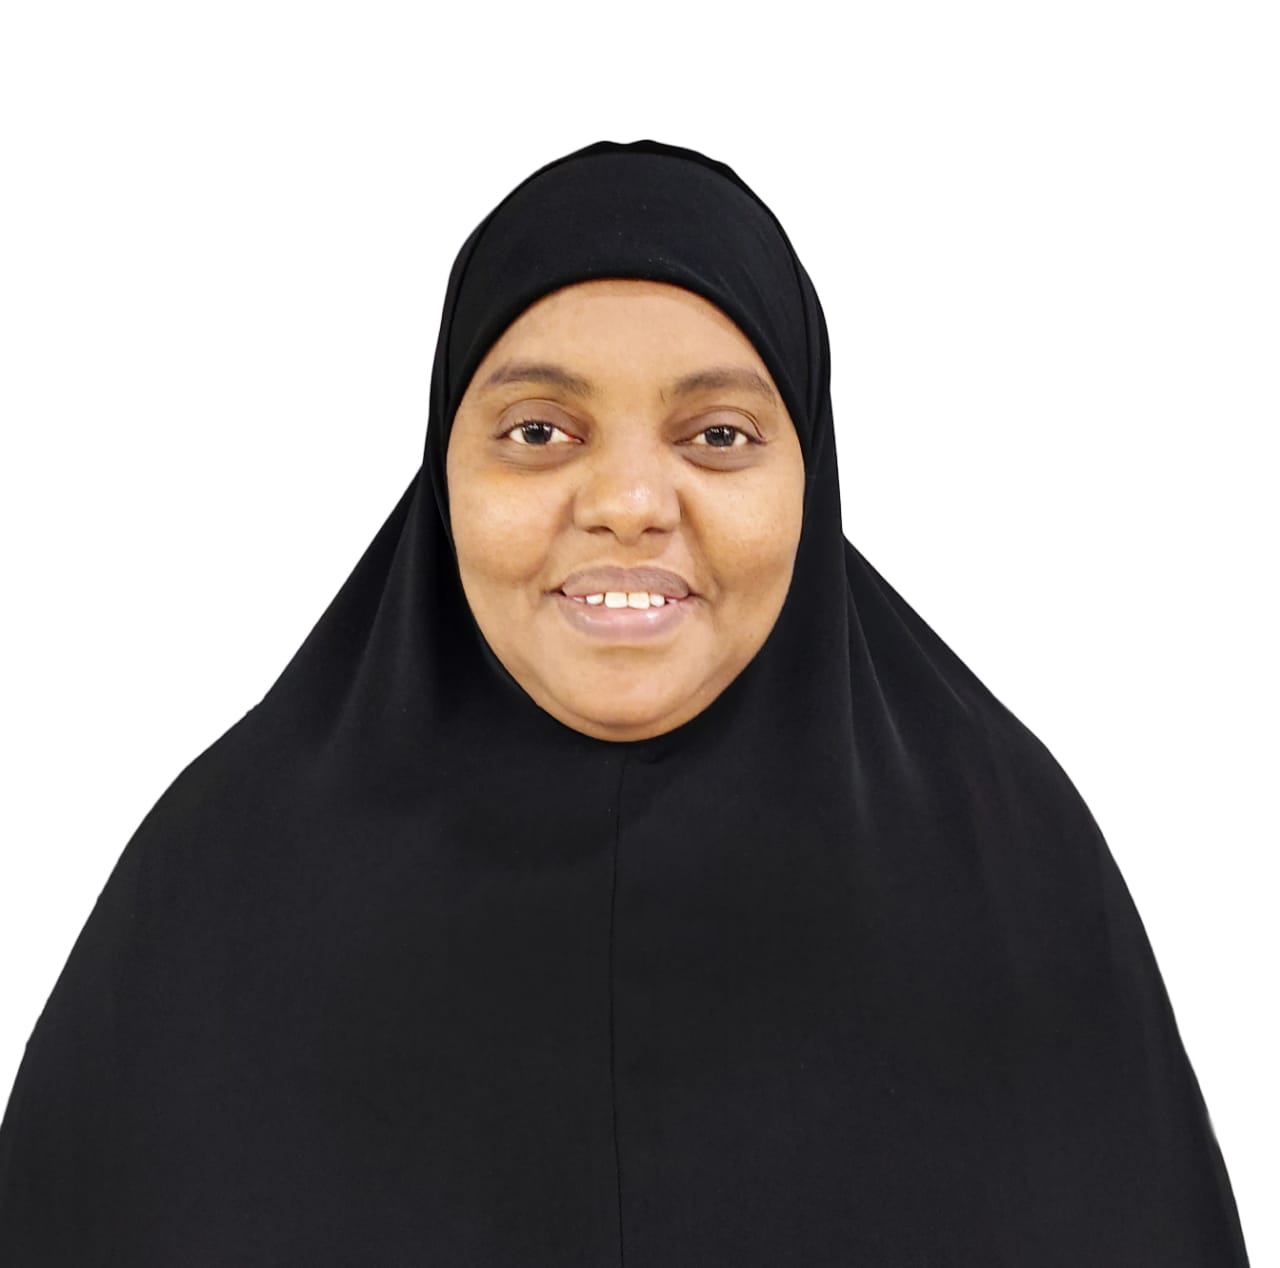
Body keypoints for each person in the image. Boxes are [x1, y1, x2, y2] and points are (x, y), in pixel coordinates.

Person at [0, 138, 1252, 1265]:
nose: (628, 503)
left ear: (810, 474)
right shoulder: (216, 895)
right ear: (442, 470)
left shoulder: (1011, 878)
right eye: (539, 431)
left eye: (717, 436)